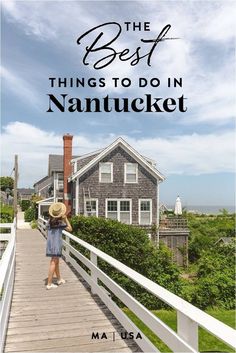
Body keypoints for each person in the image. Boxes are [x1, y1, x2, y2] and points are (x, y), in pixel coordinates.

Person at [46, 202, 72, 290]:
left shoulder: (49, 221)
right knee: (53, 262)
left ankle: (59, 279)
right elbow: (70, 229)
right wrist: (66, 219)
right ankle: (49, 284)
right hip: (56, 244)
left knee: (56, 262)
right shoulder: (60, 223)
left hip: (50, 244)